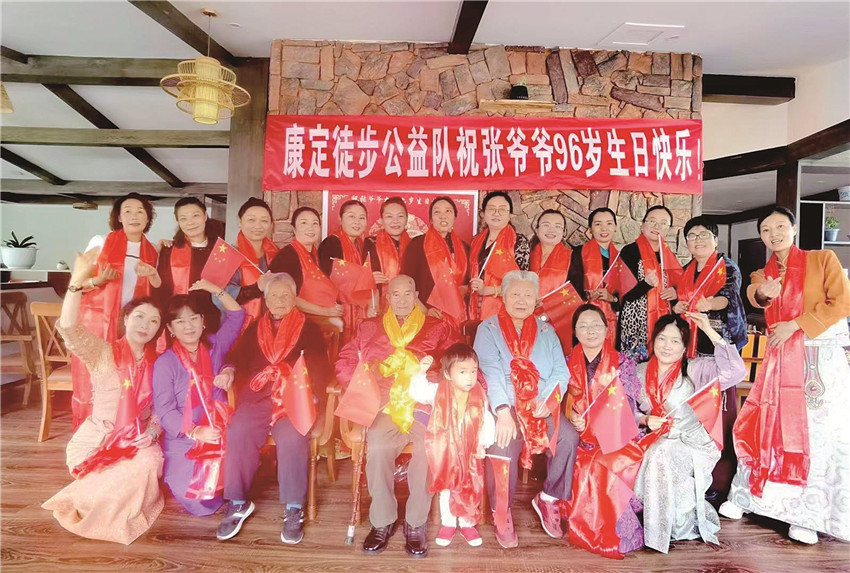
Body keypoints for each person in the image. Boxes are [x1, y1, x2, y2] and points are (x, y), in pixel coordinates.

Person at [721, 205, 850, 545]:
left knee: (817, 433)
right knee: (768, 424)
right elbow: (755, 294)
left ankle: (807, 515)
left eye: (780, 226)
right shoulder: (762, 273)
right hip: (780, 361)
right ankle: (753, 498)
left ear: (794, 229)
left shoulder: (822, 260)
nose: (773, 234)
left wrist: (795, 324)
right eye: (766, 230)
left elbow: (841, 302)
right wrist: (765, 292)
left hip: (817, 360)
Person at [335, 275, 462, 557]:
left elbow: (458, 362)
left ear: (416, 296)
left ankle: (415, 522)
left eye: (408, 294)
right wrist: (363, 383)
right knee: (378, 445)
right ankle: (383, 520)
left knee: (427, 449)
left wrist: (431, 376)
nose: (402, 299)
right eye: (396, 294)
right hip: (385, 405)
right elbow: (345, 362)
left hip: (423, 404)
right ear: (388, 297)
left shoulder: (437, 327)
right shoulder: (369, 327)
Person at [43, 250, 164, 545]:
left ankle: (99, 496)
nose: (145, 325)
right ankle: (90, 497)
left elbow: (161, 409)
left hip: (135, 441)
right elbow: (69, 328)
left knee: (151, 460)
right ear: (126, 319)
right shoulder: (102, 352)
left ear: (159, 329)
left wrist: (151, 432)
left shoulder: (159, 362)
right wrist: (76, 282)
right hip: (97, 440)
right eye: (139, 317)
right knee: (126, 475)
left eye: (153, 321)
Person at [215, 274, 331, 545]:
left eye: (285, 295)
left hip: (293, 398)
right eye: (274, 296)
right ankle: (238, 502)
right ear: (265, 300)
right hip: (258, 397)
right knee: (238, 430)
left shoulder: (309, 328)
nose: (280, 300)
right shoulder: (255, 328)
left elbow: (320, 366)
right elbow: (236, 357)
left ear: (294, 298)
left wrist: (306, 391)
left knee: (292, 435)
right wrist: (228, 370)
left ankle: (294, 507)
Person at [473, 270, 577, 548]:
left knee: (567, 437)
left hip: (540, 404)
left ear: (536, 299)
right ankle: (501, 510)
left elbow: (561, 372)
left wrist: (549, 401)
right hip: (506, 403)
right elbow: (490, 373)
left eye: (528, 295)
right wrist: (502, 411)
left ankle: (548, 498)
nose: (521, 300)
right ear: (504, 297)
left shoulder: (547, 331)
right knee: (502, 441)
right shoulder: (488, 329)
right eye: (515, 294)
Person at [634, 313, 746, 554]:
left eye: (675, 341)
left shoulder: (697, 368)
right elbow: (626, 411)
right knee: (652, 451)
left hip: (692, 441)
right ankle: (657, 519)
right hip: (651, 437)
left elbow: (737, 371)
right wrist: (644, 419)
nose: (667, 346)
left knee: (660, 452)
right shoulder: (638, 371)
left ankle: (657, 532)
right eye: (662, 339)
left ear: (685, 347)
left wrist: (709, 331)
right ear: (653, 340)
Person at [152, 281, 245, 516]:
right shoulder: (165, 363)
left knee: (231, 484)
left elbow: (237, 315)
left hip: (219, 430)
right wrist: (195, 432)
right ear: (170, 328)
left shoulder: (215, 345)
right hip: (186, 437)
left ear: (203, 320)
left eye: (193, 318)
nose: (188, 326)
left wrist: (215, 290)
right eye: (180, 322)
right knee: (197, 500)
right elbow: (165, 411)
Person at [672, 215, 748, 505]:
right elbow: (680, 301)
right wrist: (677, 305)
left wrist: (709, 304)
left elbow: (728, 296)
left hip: (719, 350)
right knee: (694, 414)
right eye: (692, 236)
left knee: (720, 416)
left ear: (716, 240)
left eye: (704, 234)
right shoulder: (687, 270)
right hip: (692, 352)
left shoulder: (727, 266)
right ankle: (693, 477)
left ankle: (720, 482)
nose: (698, 240)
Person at [73, 193, 161, 428]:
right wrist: (98, 280)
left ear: (148, 218)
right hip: (98, 322)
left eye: (140, 211)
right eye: (128, 211)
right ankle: (93, 427)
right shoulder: (101, 242)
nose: (134, 216)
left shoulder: (152, 251)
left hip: (132, 326)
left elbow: (156, 288)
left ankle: (125, 426)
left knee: (126, 375)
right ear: (119, 217)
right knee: (97, 375)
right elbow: (77, 283)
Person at [565, 304, 643, 559]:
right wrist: (572, 415)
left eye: (596, 325)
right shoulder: (566, 362)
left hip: (614, 435)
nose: (590, 331)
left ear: (607, 329)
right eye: (583, 326)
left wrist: (605, 416)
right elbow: (560, 398)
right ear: (575, 332)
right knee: (585, 463)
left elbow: (629, 402)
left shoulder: (622, 362)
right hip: (579, 436)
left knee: (604, 464)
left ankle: (616, 532)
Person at [410, 344, 495, 548]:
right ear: (448, 374)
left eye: (473, 371)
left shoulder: (479, 395)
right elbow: (417, 392)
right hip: (446, 451)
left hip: (470, 451)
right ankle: (448, 523)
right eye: (463, 372)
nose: (469, 378)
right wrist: (421, 372)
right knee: (447, 487)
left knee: (471, 485)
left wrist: (483, 443)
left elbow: (486, 419)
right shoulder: (438, 391)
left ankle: (467, 523)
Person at [617, 205, 682, 362]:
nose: (656, 226)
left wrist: (676, 292)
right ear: (643, 225)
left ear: (668, 229)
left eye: (663, 223)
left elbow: (681, 286)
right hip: (635, 322)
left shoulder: (669, 255)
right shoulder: (630, 251)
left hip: (663, 322)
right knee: (633, 367)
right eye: (652, 221)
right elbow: (624, 294)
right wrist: (645, 284)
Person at [156, 197, 223, 334]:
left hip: (214, 319)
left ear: (205, 216)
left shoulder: (220, 249)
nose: (190, 222)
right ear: (178, 222)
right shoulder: (169, 251)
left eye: (195, 216)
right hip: (181, 320)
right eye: (183, 218)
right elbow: (163, 290)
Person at [266, 206, 343, 320]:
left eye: (315, 223)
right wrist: (325, 311)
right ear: (294, 229)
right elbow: (286, 297)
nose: (310, 228)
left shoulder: (316, 254)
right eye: (304, 223)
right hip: (295, 321)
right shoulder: (286, 256)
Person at [402, 196, 469, 325]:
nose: (443, 216)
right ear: (431, 219)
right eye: (437, 212)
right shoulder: (417, 244)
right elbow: (407, 282)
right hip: (424, 315)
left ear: (455, 217)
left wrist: (457, 295)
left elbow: (467, 284)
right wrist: (425, 310)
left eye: (448, 211)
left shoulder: (465, 248)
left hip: (457, 316)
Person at [468, 192, 530, 322]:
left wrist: (488, 290)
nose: (496, 213)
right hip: (475, 307)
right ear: (483, 213)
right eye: (491, 209)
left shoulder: (519, 242)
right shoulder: (476, 241)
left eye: (502, 209)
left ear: (509, 215)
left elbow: (522, 285)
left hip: (504, 310)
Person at [319, 199, 370, 340]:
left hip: (359, 308)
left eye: (362, 218)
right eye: (351, 216)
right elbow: (329, 273)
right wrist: (366, 276)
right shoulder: (331, 243)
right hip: (338, 309)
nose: (357, 222)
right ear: (340, 219)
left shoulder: (362, 245)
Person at [569, 207, 620, 345]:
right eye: (598, 224)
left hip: (612, 319)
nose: (604, 228)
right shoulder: (577, 253)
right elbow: (570, 286)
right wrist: (587, 296)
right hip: (584, 317)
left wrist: (613, 298)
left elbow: (626, 292)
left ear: (615, 227)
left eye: (609, 223)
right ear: (590, 229)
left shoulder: (621, 258)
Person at [529, 209, 575, 351]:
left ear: (564, 232)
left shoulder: (572, 257)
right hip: (526, 318)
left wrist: (549, 314)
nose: (551, 230)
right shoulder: (526, 255)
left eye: (557, 226)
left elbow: (575, 295)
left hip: (558, 321)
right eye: (546, 225)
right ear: (537, 230)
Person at [229, 198, 278, 328]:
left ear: (271, 224)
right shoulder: (228, 254)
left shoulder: (276, 254)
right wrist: (256, 288)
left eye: (264, 221)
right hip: (237, 326)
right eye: (251, 220)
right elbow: (219, 296)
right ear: (240, 222)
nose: (258, 226)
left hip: (270, 325)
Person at [363, 197, 412, 302]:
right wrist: (367, 279)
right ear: (381, 220)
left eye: (400, 216)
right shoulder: (370, 243)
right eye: (389, 216)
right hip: (377, 303)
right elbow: (357, 277)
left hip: (409, 303)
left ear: (407, 219)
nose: (395, 221)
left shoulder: (415, 245)